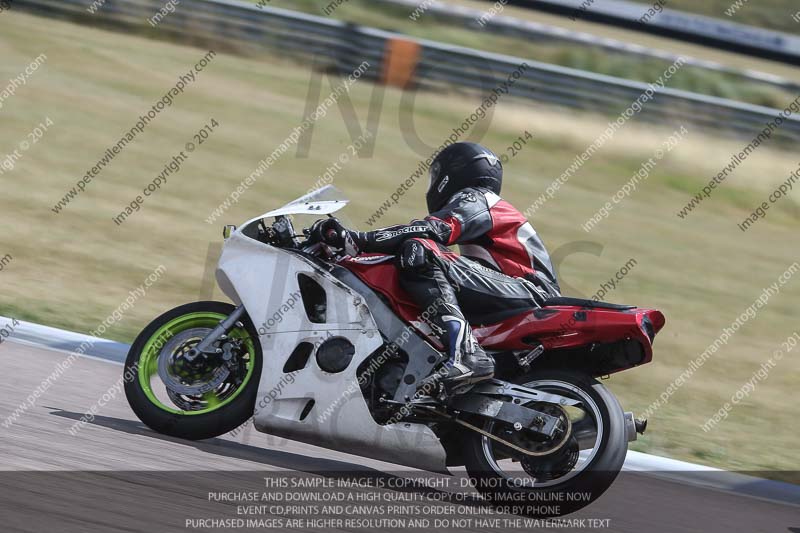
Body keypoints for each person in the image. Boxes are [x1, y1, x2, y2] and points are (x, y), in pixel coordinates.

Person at [312, 142, 560, 390]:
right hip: (517, 290)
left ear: (450, 175)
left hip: (530, 292)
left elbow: (433, 230)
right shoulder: (487, 205)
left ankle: (467, 354)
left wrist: (357, 240)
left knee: (420, 251)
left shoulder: (477, 198)